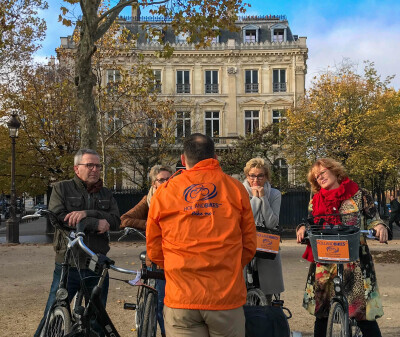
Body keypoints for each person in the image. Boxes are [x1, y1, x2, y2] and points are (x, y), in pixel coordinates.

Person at [146, 133, 257, 337]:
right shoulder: (235, 189)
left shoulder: (165, 192)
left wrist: (173, 267)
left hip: (181, 296)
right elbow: (249, 243)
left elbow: (154, 248)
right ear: (215, 156)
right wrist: (229, 266)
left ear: (183, 159)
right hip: (225, 295)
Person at [296, 158, 388, 337]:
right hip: (325, 259)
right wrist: (301, 227)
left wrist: (379, 226)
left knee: (361, 313)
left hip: (354, 260)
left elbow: (373, 218)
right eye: (316, 177)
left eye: (322, 173)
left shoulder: (358, 194)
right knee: (322, 313)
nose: (319, 178)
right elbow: (310, 222)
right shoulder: (315, 200)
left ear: (335, 170)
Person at [34, 149, 120, 337]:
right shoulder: (61, 188)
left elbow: (115, 221)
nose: (95, 169)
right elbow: (59, 217)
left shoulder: (106, 193)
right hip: (69, 262)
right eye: (89, 165)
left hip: (96, 263)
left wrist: (88, 214)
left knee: (97, 318)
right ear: (76, 168)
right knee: (52, 315)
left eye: (98, 166)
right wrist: (95, 222)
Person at [120, 164, 173, 337]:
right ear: (153, 183)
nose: (166, 182)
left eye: (169, 179)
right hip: (157, 256)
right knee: (160, 302)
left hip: (177, 255)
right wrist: (152, 226)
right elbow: (125, 219)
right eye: (161, 180)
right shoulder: (148, 200)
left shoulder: (180, 199)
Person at [243, 158, 284, 304]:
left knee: (267, 291)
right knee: (242, 289)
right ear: (247, 176)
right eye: (252, 175)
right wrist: (254, 198)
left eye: (260, 175)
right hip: (245, 242)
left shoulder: (274, 194)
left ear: (266, 176)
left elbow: (272, 223)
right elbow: (246, 220)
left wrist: (264, 199)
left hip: (267, 243)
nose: (256, 179)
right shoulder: (239, 192)